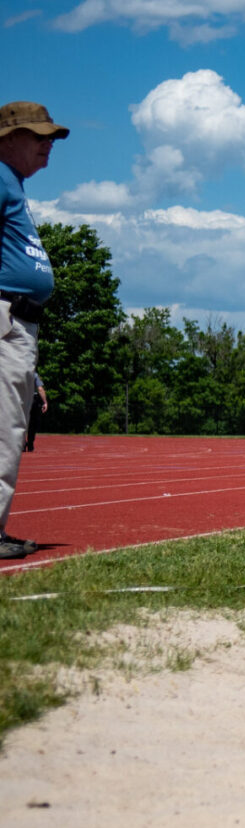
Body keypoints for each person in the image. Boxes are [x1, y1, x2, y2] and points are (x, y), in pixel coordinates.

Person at [0, 101, 69, 559]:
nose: (48, 145)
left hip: (19, 324)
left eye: (50, 137)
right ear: (7, 139)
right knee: (3, 430)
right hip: (6, 320)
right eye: (37, 136)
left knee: (9, 428)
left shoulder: (13, 184)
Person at [23, 373, 46, 452]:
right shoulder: (34, 374)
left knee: (21, 423)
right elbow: (40, 389)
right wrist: (45, 402)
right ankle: (30, 443)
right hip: (33, 399)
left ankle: (22, 443)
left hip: (21, 399)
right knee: (33, 423)